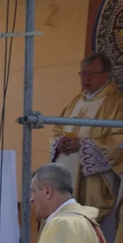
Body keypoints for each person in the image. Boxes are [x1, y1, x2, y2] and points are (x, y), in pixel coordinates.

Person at [51, 54, 123, 229]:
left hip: (94, 183)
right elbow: (57, 130)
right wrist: (58, 142)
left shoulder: (117, 103)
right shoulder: (76, 101)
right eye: (82, 73)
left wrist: (83, 145)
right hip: (67, 173)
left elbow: (119, 140)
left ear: (106, 74)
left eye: (91, 73)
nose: (86, 78)